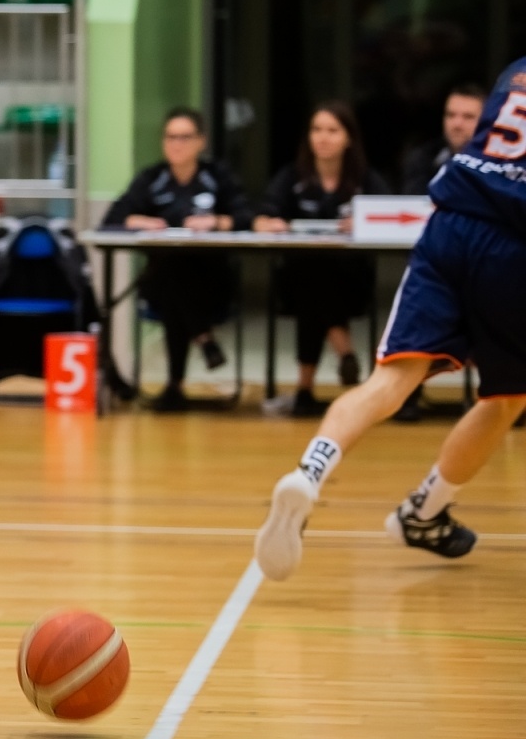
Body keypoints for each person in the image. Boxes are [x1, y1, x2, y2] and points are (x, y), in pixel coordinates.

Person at [254, 57, 526, 582]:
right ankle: (423, 513)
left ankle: (310, 472)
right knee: (506, 398)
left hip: (452, 225)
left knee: (391, 379)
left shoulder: (516, 71)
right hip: (514, 247)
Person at [101, 107, 253, 412]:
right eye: (170, 137)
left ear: (201, 142)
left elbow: (248, 217)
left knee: (177, 272)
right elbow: (113, 218)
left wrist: (217, 223)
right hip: (161, 283)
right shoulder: (152, 179)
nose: (177, 144)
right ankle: (203, 339)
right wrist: (139, 221)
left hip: (213, 283)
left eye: (185, 137)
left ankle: (175, 384)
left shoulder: (216, 177)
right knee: (171, 269)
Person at [253, 101, 390, 417]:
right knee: (310, 273)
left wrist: (365, 222)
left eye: (332, 130)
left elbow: (389, 214)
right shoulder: (292, 176)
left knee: (314, 281)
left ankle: (305, 388)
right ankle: (344, 350)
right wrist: (269, 223)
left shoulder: (364, 179)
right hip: (301, 279)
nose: (323, 138)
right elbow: (261, 216)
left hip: (351, 281)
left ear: (348, 138)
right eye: (316, 130)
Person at [393, 83, 487, 422]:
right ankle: (405, 393)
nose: (457, 123)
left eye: (467, 116)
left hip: (487, 266)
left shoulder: (505, 164)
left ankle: (502, 398)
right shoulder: (423, 157)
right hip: (436, 264)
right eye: (451, 115)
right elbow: (414, 206)